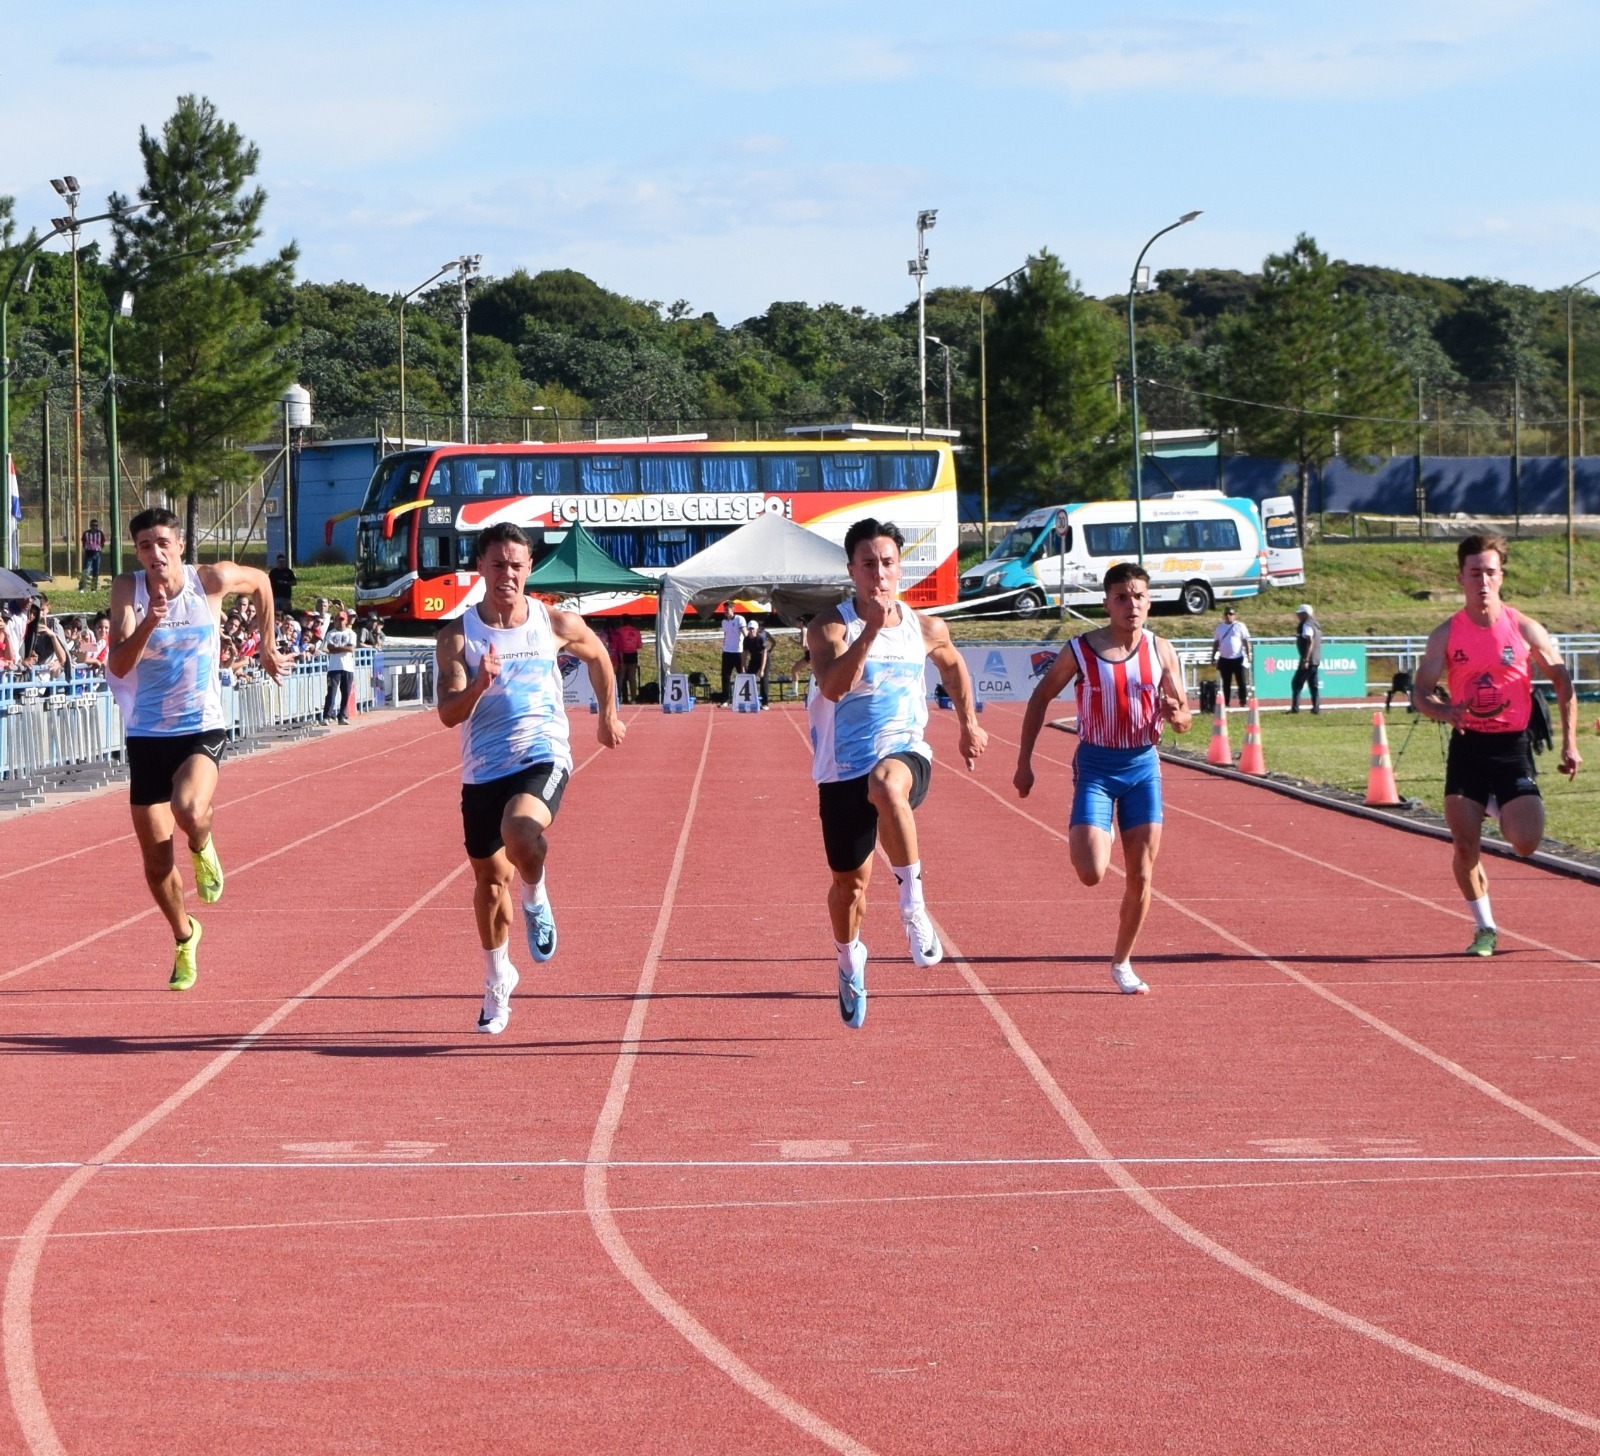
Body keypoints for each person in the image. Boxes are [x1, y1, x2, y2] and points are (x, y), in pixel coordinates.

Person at [436, 522, 625, 1035]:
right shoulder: (458, 636)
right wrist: (480, 684)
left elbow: (600, 656)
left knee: (521, 831)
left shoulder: (553, 621)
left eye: (517, 565)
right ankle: (498, 980)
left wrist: (607, 713)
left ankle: (537, 895)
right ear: (480, 568)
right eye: (498, 565)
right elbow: (449, 714)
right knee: (489, 881)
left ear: (528, 569)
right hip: (483, 771)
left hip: (542, 755)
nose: (508, 575)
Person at [806, 518, 986, 1029]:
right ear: (851, 571)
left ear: (899, 568)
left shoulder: (926, 627)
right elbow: (835, 687)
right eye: (868, 565)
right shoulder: (829, 626)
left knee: (888, 782)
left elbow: (953, 667)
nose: (879, 575)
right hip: (841, 771)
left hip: (907, 754)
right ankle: (848, 962)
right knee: (849, 888)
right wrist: (869, 631)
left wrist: (968, 724)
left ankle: (914, 908)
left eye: (887, 563)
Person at [106, 507, 286, 990]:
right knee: (156, 862)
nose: (155, 553)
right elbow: (119, 665)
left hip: (200, 725)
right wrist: (148, 623)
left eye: (163, 543)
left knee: (189, 807)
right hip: (146, 733)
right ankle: (185, 936)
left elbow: (264, 583)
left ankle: (203, 844)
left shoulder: (211, 580)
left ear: (180, 545)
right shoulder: (129, 590)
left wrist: (265, 643)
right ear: (137, 552)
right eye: (145, 546)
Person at [1013, 562, 1193, 995]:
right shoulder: (1081, 650)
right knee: (1092, 871)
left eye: (1139, 597)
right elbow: (1040, 699)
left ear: (1149, 601)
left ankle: (1123, 961)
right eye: (1122, 597)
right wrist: (1024, 762)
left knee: (1142, 876)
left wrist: (1177, 715)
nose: (1132, 605)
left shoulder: (1162, 650)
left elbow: (1184, 717)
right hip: (1095, 766)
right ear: (1106, 603)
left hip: (1143, 767)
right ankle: (1099, 826)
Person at [1411, 533, 1582, 956]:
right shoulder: (1446, 634)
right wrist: (1443, 710)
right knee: (1465, 845)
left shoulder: (1524, 628)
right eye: (1475, 573)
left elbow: (1562, 681)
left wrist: (1569, 743)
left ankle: (1497, 805)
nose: (1483, 581)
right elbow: (1422, 691)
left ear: (1501, 576)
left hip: (1512, 748)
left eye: (1490, 572)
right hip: (1468, 747)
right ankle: (1484, 928)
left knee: (1525, 843)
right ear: (1461, 578)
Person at [1209, 604, 1252, 708]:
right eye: (1226, 614)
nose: (1228, 616)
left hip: (1237, 658)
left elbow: (1246, 641)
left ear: (1234, 616)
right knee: (1226, 683)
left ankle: (1243, 701)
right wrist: (1213, 656)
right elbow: (1216, 642)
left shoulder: (1240, 626)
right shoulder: (1220, 627)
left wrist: (1248, 654)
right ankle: (1226, 703)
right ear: (1224, 616)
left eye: (1231, 614)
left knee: (1241, 681)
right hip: (1224, 658)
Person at [322, 609, 357, 724]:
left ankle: (342, 716)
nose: (340, 621)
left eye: (342, 619)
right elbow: (331, 648)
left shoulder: (351, 634)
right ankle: (327, 716)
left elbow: (350, 649)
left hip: (347, 667)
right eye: (338, 619)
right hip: (334, 667)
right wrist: (343, 648)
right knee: (331, 692)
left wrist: (338, 649)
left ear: (346, 620)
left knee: (346, 693)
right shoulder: (331, 633)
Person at [1291, 603, 1321, 713]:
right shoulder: (1316, 625)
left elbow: (1310, 641)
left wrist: (1306, 659)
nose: (1298, 616)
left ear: (1305, 614)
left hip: (1308, 659)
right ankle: (1316, 708)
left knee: (1296, 683)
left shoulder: (1307, 625)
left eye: (1299, 614)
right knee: (1313, 684)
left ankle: (1295, 708)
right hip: (1316, 659)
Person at [719, 602, 746, 704]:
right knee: (725, 676)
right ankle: (726, 699)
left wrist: (747, 647)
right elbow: (726, 634)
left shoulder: (739, 619)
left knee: (742, 674)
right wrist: (724, 646)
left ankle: (745, 697)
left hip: (738, 651)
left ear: (733, 609)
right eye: (724, 609)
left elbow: (745, 632)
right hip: (727, 652)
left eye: (727, 609)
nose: (726, 611)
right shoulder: (724, 622)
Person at [743, 618, 773, 706]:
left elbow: (764, 654)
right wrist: (743, 666)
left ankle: (765, 703)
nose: (751, 631)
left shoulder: (760, 638)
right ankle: (750, 699)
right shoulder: (746, 640)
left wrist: (762, 669)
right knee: (749, 676)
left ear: (756, 629)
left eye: (753, 629)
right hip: (754, 659)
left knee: (763, 679)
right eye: (750, 629)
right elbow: (744, 653)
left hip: (764, 659)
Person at [611, 619, 642, 704]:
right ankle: (634, 698)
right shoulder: (636, 631)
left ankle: (618, 698)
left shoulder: (619, 631)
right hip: (633, 655)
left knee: (620, 678)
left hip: (622, 655)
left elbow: (616, 644)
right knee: (632, 678)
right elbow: (639, 645)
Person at [81, 519, 106, 590]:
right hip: (89, 554)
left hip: (97, 554)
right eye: (93, 525)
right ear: (90, 526)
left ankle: (94, 588)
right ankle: (82, 587)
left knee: (96, 571)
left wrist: (99, 549)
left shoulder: (100, 533)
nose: (94, 527)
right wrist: (87, 549)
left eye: (96, 525)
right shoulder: (86, 533)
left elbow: (102, 543)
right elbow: (83, 543)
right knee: (86, 571)